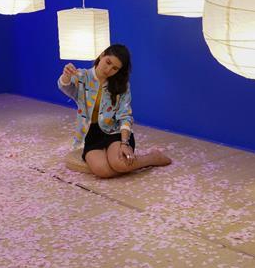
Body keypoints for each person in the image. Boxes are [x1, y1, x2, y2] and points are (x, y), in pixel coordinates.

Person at [57, 44, 171, 178]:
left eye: (115, 68)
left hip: (115, 131)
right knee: (103, 171)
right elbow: (66, 86)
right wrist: (66, 75)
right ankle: (127, 158)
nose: (109, 69)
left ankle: (152, 158)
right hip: (91, 133)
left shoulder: (121, 85)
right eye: (108, 62)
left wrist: (124, 143)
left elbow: (125, 115)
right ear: (102, 55)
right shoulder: (83, 76)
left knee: (120, 164)